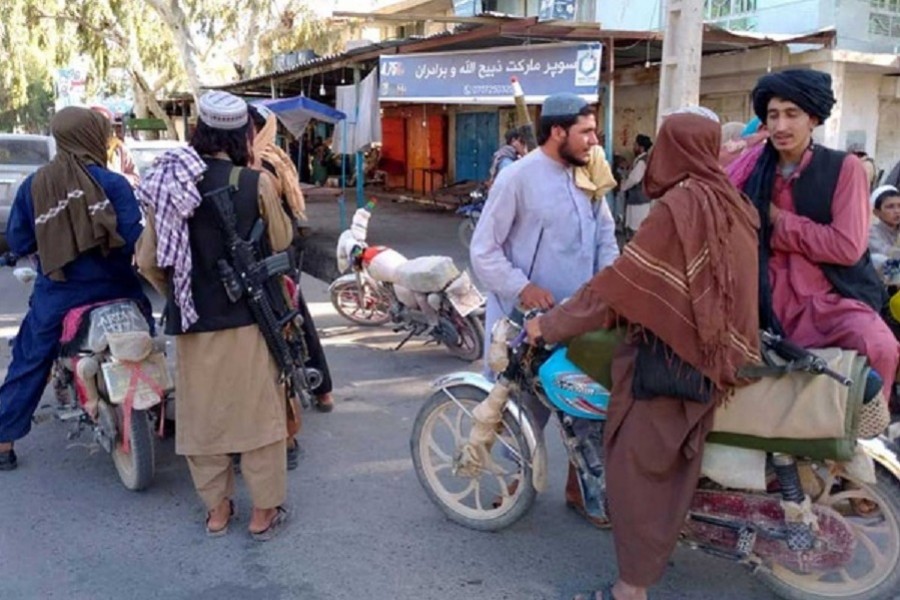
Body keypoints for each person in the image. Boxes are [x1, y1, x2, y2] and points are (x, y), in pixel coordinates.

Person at [525, 109, 762, 600]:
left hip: (678, 361)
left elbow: (617, 288)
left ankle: (630, 588)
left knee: (634, 466)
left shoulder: (678, 209)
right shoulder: (731, 201)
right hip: (721, 353)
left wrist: (551, 325)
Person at [135, 91, 293, 540]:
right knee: (259, 417)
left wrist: (182, 290)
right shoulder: (254, 183)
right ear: (244, 133)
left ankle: (218, 511)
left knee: (203, 419)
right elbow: (280, 242)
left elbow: (149, 260)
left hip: (192, 322)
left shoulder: (168, 183)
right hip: (249, 321)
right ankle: (263, 513)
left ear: (200, 130)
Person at [469, 92, 619, 526]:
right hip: (524, 322)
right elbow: (484, 249)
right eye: (586, 131)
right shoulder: (518, 177)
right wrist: (523, 287)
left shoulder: (590, 172)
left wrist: (607, 288)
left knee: (586, 407)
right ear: (557, 132)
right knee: (521, 411)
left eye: (595, 131)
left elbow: (605, 238)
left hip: (582, 320)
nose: (595, 140)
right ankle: (512, 487)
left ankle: (581, 491)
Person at [727, 68, 899, 400]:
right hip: (759, 296)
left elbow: (847, 247)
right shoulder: (748, 169)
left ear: (814, 119)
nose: (780, 126)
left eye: (792, 114)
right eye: (773, 115)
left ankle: (864, 435)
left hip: (829, 298)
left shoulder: (843, 168)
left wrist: (778, 221)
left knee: (880, 346)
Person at [0, 107, 149, 471]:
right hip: (120, 287)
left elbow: (19, 239)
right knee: (147, 335)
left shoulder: (36, 186)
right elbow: (136, 237)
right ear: (94, 137)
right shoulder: (114, 184)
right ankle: (151, 403)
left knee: (30, 355)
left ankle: (3, 441)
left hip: (61, 293)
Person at [247, 105, 335, 418]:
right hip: (283, 247)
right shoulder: (276, 157)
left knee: (283, 320)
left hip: (274, 248)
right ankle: (322, 388)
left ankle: (303, 399)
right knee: (296, 315)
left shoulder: (261, 164)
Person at [90, 105, 140, 188]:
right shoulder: (77, 151)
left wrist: (117, 176)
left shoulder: (119, 148)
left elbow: (136, 180)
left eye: (106, 123)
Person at [619, 134, 653, 235]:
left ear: (641, 148)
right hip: (640, 199)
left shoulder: (642, 162)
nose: (633, 147)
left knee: (636, 229)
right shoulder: (642, 159)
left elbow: (634, 179)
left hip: (639, 200)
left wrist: (623, 187)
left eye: (635, 145)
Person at [869, 185, 900, 285]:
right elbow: (888, 255)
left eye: (899, 206)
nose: (897, 211)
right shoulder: (872, 232)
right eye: (890, 207)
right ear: (877, 212)